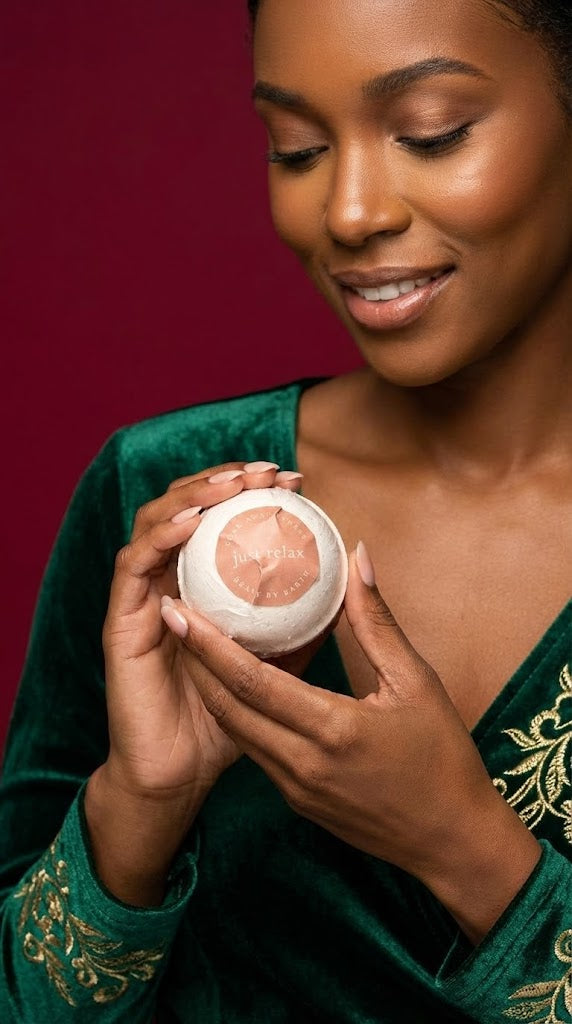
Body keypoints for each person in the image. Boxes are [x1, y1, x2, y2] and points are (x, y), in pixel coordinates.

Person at [1, 0, 570, 1020]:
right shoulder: (164, 496)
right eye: (295, 148)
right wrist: (142, 805)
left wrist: (463, 845)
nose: (347, 212)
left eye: (429, 130)